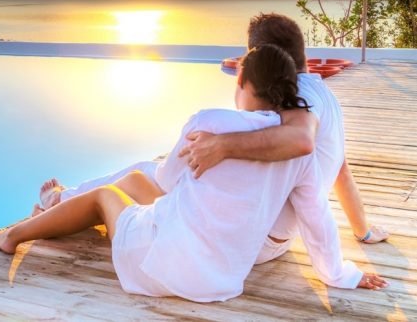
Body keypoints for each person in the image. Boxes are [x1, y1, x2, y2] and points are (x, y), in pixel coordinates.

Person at [0, 45, 387, 302]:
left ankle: (14, 236)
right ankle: (53, 210)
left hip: (160, 266)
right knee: (131, 185)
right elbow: (316, 218)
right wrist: (340, 274)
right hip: (221, 281)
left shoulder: (211, 122)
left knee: (107, 196)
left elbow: (166, 178)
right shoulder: (300, 151)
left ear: (245, 84)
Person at [43, 13, 387, 251]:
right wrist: (363, 230)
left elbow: (301, 139)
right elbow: (339, 168)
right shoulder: (323, 95)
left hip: (252, 240)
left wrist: (221, 145)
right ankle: (65, 200)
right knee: (156, 175)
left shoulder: (300, 100)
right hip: (278, 238)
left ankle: (60, 203)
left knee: (146, 174)